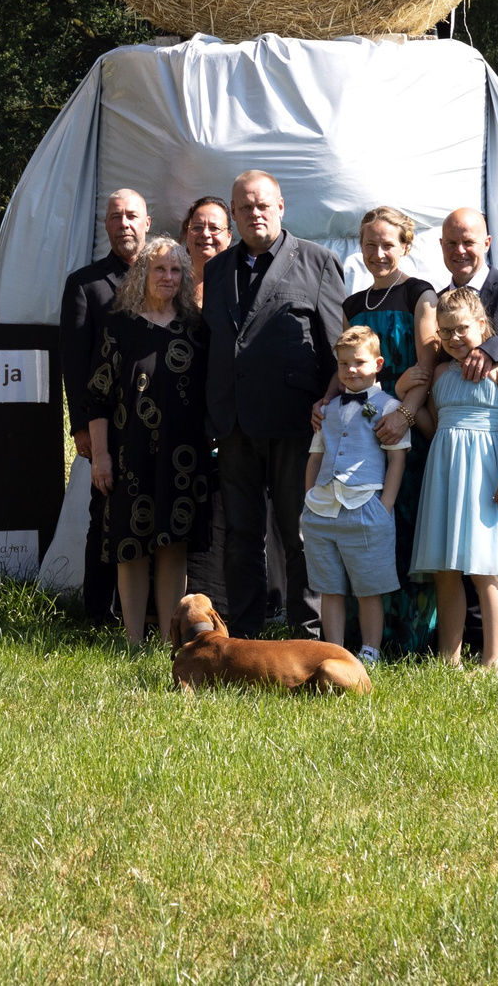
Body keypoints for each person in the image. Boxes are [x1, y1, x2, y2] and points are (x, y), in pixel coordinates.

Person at [403, 208, 498, 661]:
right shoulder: (438, 301)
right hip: (452, 448)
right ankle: (465, 644)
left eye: (468, 241)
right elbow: (431, 373)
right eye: (450, 242)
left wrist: (491, 349)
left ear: (486, 241)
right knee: (456, 554)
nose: (460, 250)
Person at [201, 170, 346, 640]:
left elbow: (334, 349)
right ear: (234, 214)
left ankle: (306, 634)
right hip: (234, 424)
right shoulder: (218, 269)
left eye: (263, 204)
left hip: (294, 424)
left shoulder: (318, 262)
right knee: (241, 536)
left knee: (299, 533)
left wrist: (328, 406)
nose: (255, 213)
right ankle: (243, 632)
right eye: (245, 207)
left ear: (281, 207)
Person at [84, 236, 211, 651]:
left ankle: (170, 642)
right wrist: (100, 455)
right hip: (128, 454)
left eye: (176, 270)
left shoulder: (196, 329)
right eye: (159, 269)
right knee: (130, 547)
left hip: (183, 456)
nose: (168, 277)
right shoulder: (119, 324)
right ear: (143, 273)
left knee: (174, 546)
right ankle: (133, 642)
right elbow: (98, 396)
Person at [408, 287, 498, 672]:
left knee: (484, 566)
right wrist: (404, 398)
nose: (453, 338)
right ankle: (450, 658)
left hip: (486, 470)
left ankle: (495, 661)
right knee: (446, 571)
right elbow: (434, 424)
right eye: (444, 332)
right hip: (445, 471)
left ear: (481, 325)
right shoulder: (443, 373)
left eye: (461, 328)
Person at [335, 205, 438, 656]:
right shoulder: (353, 304)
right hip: (362, 433)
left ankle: (412, 638)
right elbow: (346, 363)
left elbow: (427, 366)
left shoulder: (421, 294)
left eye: (387, 244)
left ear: (406, 246)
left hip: (406, 429)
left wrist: (404, 416)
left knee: (405, 525)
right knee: (366, 526)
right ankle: (369, 638)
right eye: (369, 244)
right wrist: (324, 403)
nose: (378, 253)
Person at [58, 188, 149, 626]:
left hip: (157, 424)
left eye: (132, 215)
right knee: (106, 516)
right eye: (116, 217)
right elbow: (74, 365)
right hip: (105, 425)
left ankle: (148, 613)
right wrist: (80, 429)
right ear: (106, 226)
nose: (124, 223)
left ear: (147, 223)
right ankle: (98, 613)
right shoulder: (86, 283)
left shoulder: (166, 277)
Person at [300, 326, 406, 668]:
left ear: (377, 363)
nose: (350, 370)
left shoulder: (388, 406)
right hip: (323, 509)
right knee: (329, 587)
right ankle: (334, 651)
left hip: (365, 507)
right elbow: (316, 456)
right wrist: (308, 501)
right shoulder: (327, 409)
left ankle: (371, 650)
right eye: (343, 364)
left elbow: (396, 458)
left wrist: (384, 506)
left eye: (358, 362)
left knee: (367, 587)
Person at [180, 197, 231, 313]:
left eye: (214, 228)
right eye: (197, 227)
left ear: (229, 237)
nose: (205, 234)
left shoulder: (239, 282)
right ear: (187, 234)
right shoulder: (172, 279)